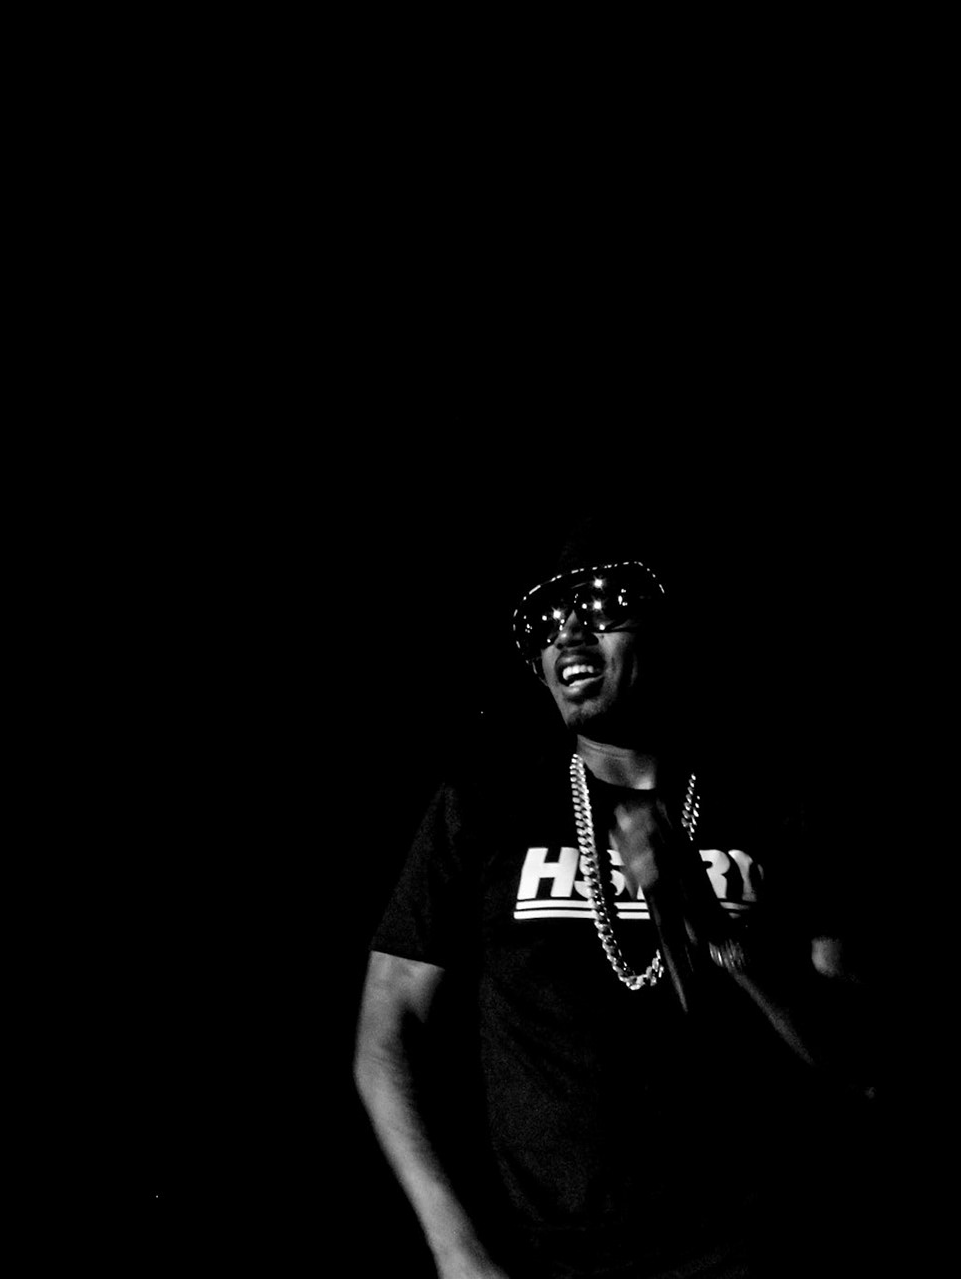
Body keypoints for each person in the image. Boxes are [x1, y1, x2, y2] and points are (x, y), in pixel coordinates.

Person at [354, 526, 873, 1279]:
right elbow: (387, 1030)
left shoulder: (775, 808)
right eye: (544, 619)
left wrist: (715, 926)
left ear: (667, 624)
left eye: (601, 603)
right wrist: (454, 1246)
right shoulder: (487, 805)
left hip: (750, 1251)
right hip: (545, 1259)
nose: (567, 632)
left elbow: (856, 1056)